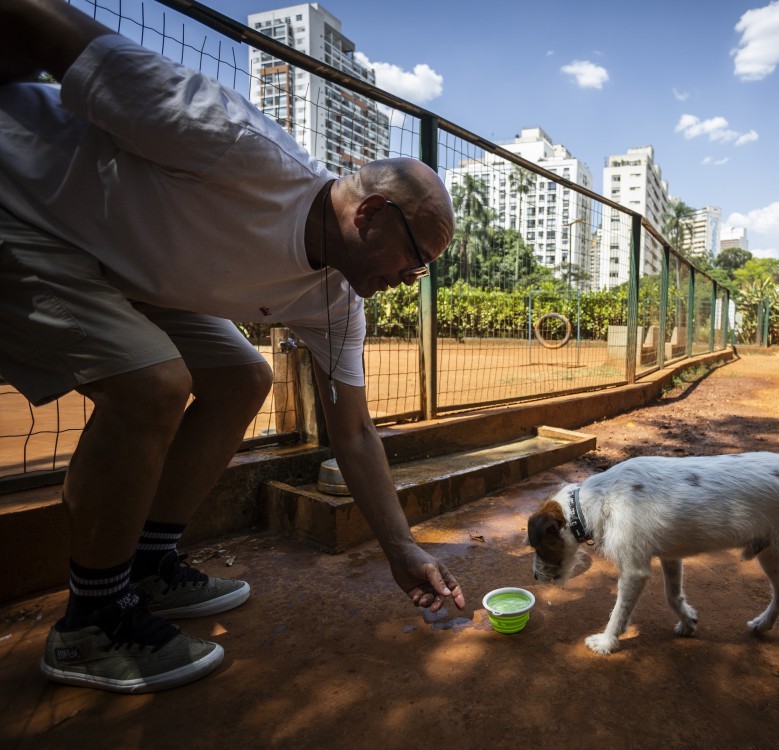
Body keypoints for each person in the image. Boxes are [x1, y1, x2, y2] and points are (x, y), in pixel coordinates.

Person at [0, 0, 464, 694]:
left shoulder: (336, 299)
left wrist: (401, 549)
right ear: (369, 213)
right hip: (24, 206)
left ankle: (149, 565)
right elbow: (41, 21)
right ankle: (92, 622)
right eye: (412, 258)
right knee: (152, 383)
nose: (408, 279)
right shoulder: (232, 144)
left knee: (242, 378)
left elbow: (355, 432)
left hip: (120, 264)